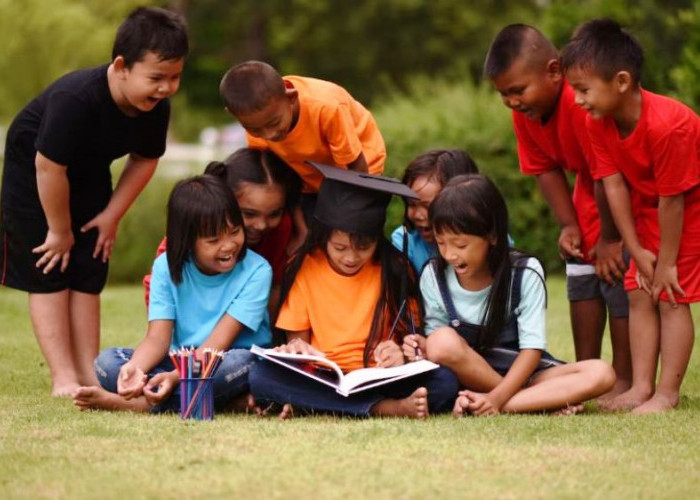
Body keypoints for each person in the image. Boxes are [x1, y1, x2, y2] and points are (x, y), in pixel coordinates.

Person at [0, 7, 189, 396]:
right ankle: (63, 377)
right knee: (51, 265)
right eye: (156, 78)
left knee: (89, 265)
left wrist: (111, 216)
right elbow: (49, 167)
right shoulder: (77, 98)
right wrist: (58, 230)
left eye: (174, 78)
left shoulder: (155, 106)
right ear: (121, 66)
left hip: (88, 172)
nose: (165, 88)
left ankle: (89, 373)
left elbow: (145, 159)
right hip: (35, 173)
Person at [483, 24, 631, 399]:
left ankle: (626, 379)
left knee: (615, 279)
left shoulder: (581, 103)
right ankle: (584, 373)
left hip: (619, 196)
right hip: (588, 193)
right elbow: (544, 169)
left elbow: (605, 174)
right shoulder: (526, 115)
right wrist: (570, 225)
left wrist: (610, 238)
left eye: (518, 91)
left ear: (554, 71)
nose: (513, 102)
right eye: (504, 95)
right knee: (580, 275)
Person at [561, 19, 700, 414]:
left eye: (584, 89)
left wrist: (667, 263)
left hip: (688, 212)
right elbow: (614, 185)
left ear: (621, 81)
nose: (577, 100)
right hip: (646, 211)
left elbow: (674, 200)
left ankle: (667, 394)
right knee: (639, 291)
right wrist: (635, 250)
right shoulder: (597, 123)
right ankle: (641, 387)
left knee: (670, 294)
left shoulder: (668, 126)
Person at [248, 163, 459, 419]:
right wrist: (296, 349)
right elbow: (298, 341)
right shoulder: (305, 266)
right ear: (324, 237)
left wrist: (398, 352)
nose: (350, 257)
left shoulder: (395, 268)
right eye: (339, 248)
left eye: (363, 248)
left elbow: (409, 339)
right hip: (323, 377)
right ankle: (385, 408)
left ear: (376, 240)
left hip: (378, 376)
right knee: (261, 377)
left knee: (445, 381)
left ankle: (315, 405)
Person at [403, 174, 615, 415]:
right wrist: (422, 345)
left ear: (492, 236)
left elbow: (532, 349)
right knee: (440, 341)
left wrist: (497, 398)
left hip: (525, 372)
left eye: (460, 245)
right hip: (468, 374)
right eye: (441, 243)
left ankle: (496, 403)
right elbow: (439, 345)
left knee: (601, 373)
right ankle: (538, 403)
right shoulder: (434, 274)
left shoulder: (524, 272)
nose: (450, 254)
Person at [72, 175, 272, 413]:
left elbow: (217, 345)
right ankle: (221, 402)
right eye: (214, 239)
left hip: (222, 361)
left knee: (242, 363)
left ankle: (137, 405)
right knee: (108, 363)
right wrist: (135, 369)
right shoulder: (165, 267)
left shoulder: (257, 271)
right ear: (187, 242)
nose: (228, 245)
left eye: (234, 231)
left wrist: (175, 378)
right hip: (178, 363)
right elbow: (157, 339)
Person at [218, 60, 386, 226]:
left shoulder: (326, 107)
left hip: (359, 170)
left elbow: (357, 168)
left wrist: (351, 215)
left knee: (345, 231)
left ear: (291, 97)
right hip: (310, 174)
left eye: (274, 123)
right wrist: (300, 230)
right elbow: (282, 180)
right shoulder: (259, 123)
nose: (268, 135)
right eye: (254, 129)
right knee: (311, 235)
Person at [143, 148, 301, 316]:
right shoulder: (189, 235)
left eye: (274, 213)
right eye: (249, 213)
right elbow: (159, 288)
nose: (261, 225)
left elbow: (276, 286)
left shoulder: (280, 230)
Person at [391, 149, 480, 274]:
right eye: (411, 204)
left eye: (428, 206)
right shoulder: (406, 241)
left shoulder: (486, 240)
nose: (418, 215)